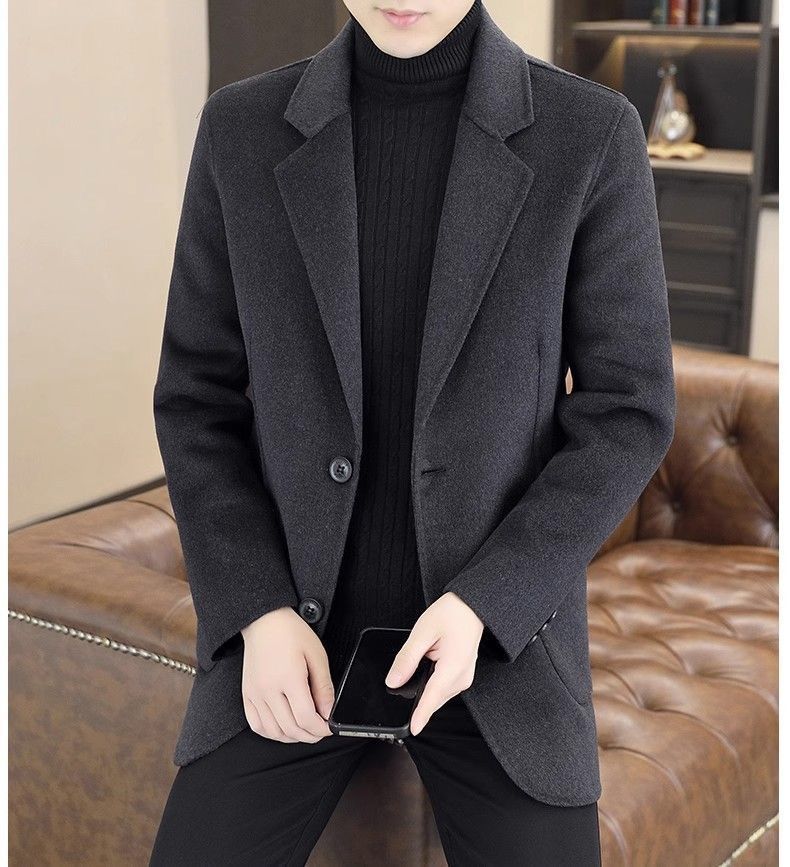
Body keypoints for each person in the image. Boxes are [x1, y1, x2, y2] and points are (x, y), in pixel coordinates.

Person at [149, 0, 676, 864]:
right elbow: (194, 397)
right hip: (295, 636)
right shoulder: (240, 129)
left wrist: (487, 605)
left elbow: (629, 409)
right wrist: (257, 611)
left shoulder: (589, 132)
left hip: (496, 648)